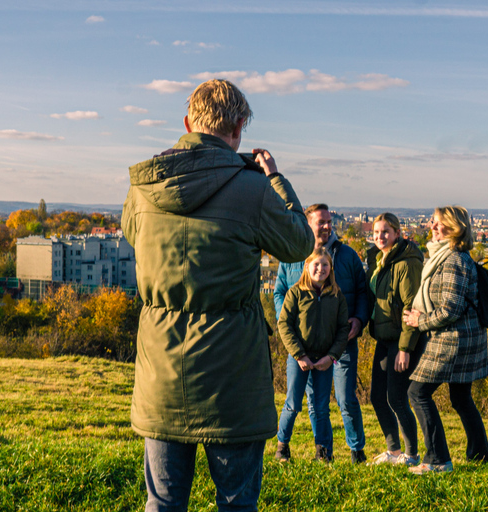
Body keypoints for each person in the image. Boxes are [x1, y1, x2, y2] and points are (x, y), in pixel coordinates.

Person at [122, 79, 314, 511]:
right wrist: (276, 179)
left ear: (188, 121)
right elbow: (299, 243)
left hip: (162, 370)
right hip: (232, 377)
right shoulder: (253, 190)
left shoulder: (143, 188)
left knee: (163, 502)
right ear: (239, 127)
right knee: (235, 502)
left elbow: (133, 235)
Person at [273, 203, 370, 464]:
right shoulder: (292, 255)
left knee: (345, 398)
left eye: (330, 221)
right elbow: (280, 292)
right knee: (311, 402)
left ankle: (356, 450)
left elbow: (362, 292)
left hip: (341, 341)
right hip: (303, 346)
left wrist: (359, 320)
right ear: (308, 225)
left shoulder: (348, 256)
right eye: (321, 222)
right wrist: (290, 323)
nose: (327, 226)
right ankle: (321, 451)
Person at [403, 205, 488, 475]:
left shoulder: (454, 260)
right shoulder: (447, 256)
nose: (432, 227)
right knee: (461, 398)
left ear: (455, 228)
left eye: (439, 223)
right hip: (465, 339)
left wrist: (419, 321)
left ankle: (437, 459)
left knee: (417, 393)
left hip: (454, 340)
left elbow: (450, 309)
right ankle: (480, 457)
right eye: (433, 222)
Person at [276, 248, 350, 463]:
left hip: (325, 359)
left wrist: (332, 357)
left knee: (321, 408)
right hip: (299, 358)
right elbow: (284, 325)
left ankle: (324, 451)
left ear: (330, 269)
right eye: (316, 264)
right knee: (292, 404)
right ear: (307, 267)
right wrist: (299, 355)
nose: (320, 269)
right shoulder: (296, 293)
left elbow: (342, 330)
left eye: (325, 265)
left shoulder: (337, 295)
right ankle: (282, 446)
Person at [366, 213, 424, 466]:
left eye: (385, 232)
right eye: (376, 232)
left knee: (397, 398)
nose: (380, 237)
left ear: (397, 233)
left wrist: (405, 348)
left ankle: (412, 455)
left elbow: (412, 308)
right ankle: (394, 451)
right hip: (383, 337)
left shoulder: (407, 263)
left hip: (401, 341)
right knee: (378, 397)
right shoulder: (380, 260)